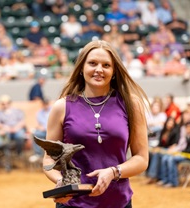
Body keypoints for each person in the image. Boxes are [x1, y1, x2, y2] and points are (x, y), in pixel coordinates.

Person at [42, 40, 149, 208]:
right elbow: (49, 158)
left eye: (106, 65)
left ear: (113, 71)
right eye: (92, 63)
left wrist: (113, 172)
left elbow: (141, 158)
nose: (99, 69)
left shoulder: (131, 104)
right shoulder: (61, 107)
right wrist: (62, 182)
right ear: (81, 68)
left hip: (118, 202)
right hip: (73, 204)